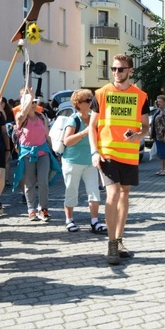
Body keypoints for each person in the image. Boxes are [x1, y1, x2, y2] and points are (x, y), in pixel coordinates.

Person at [89, 53, 150, 264]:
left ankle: (120, 239)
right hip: (107, 153)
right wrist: (94, 152)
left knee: (124, 195)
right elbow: (92, 127)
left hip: (129, 154)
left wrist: (139, 135)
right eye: (113, 69)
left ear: (130, 71)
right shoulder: (101, 93)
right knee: (113, 194)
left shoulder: (141, 96)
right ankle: (112, 244)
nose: (116, 73)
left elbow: (146, 127)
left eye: (121, 69)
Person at [60, 89, 105, 234]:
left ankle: (95, 222)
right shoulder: (73, 119)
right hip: (72, 162)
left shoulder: (94, 117)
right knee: (71, 191)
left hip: (89, 162)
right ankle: (69, 219)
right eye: (88, 100)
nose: (91, 102)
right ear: (78, 104)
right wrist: (84, 132)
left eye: (91, 99)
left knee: (93, 191)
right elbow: (67, 141)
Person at [13, 87, 61, 222]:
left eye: (34, 101)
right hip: (27, 153)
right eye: (29, 101)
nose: (33, 104)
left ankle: (43, 208)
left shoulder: (41, 117)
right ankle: (31, 209)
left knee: (43, 181)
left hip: (42, 152)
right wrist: (29, 97)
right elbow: (22, 115)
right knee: (29, 182)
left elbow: (47, 135)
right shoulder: (20, 117)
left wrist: (54, 151)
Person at [152, 95, 165, 175]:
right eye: (157, 101)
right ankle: (162, 169)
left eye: (160, 101)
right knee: (160, 152)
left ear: (164, 102)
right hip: (157, 135)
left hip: (163, 134)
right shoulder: (158, 110)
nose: (158, 103)